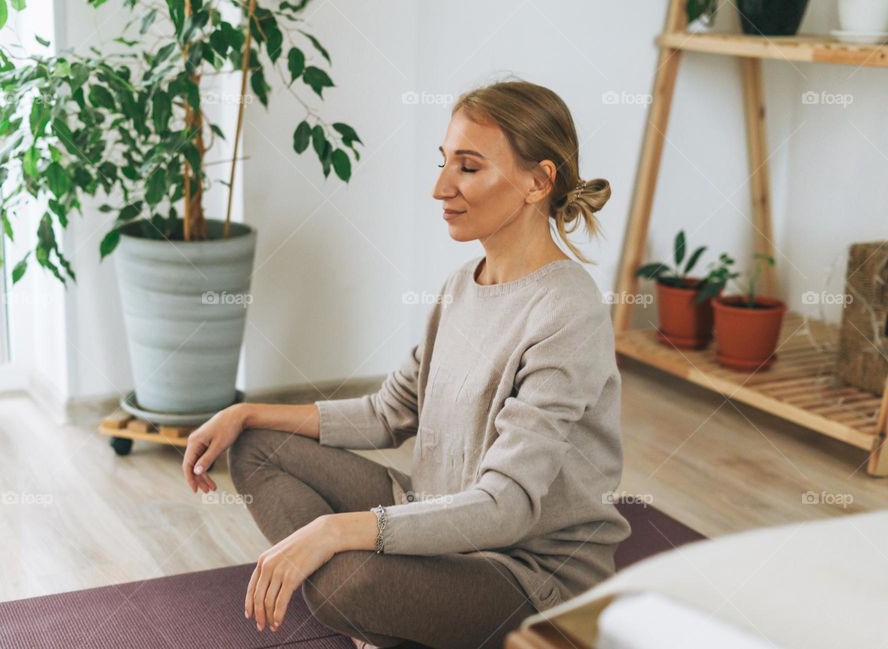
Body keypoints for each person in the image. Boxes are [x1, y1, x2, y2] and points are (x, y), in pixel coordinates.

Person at [181, 78, 631, 649]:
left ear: (537, 181)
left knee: (345, 581)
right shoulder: (459, 288)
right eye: (445, 163)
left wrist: (336, 531)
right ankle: (399, 618)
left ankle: (389, 615)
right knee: (253, 443)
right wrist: (245, 411)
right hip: (438, 520)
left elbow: (507, 508)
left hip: (525, 576)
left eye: (468, 168)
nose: (441, 187)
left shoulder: (569, 312)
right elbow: (388, 412)